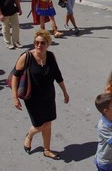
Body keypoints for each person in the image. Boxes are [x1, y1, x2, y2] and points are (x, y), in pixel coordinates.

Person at [11, 29, 70, 160]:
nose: (39, 45)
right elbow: (15, 76)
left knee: (48, 123)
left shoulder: (51, 56)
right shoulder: (26, 57)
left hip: (48, 95)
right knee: (38, 125)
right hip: (32, 97)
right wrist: (14, 97)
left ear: (48, 44)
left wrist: (65, 92)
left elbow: (57, 76)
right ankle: (29, 135)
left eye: (42, 43)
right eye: (36, 42)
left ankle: (47, 150)